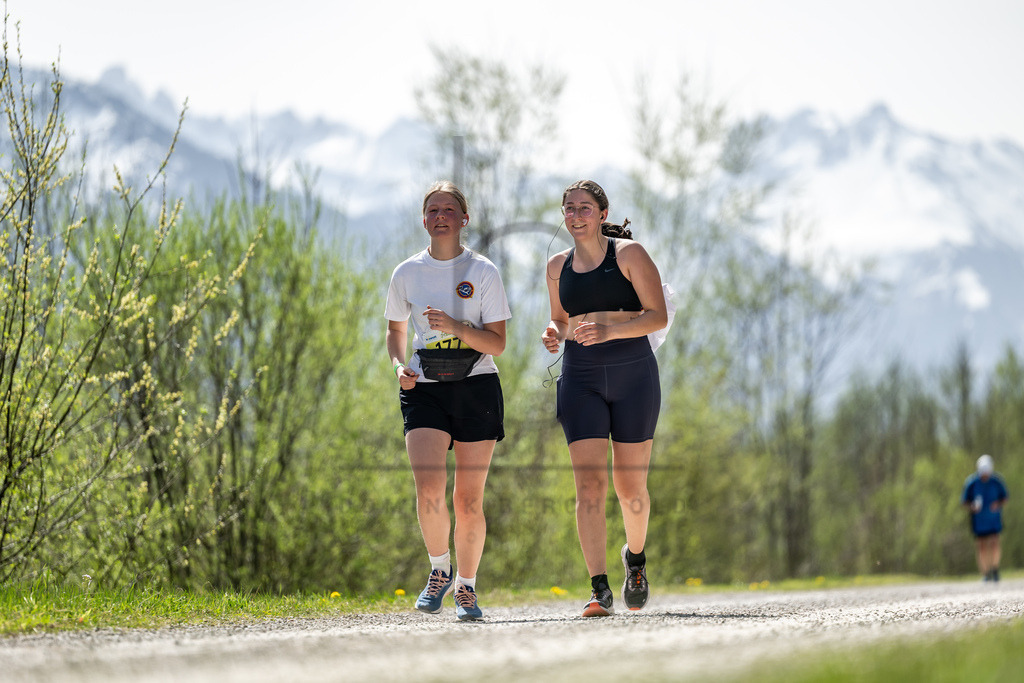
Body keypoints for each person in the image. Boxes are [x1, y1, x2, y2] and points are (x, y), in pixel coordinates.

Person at [385, 180, 511, 621]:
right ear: (424, 219)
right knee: (429, 489)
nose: (440, 216)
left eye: (448, 210)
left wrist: (457, 327)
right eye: (432, 210)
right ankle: (440, 570)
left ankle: (467, 588)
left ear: (464, 219)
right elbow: (395, 332)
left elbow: (498, 344)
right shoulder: (406, 273)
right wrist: (398, 366)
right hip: (424, 389)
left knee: (468, 499)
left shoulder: (483, 272)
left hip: (477, 387)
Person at [541, 179, 668, 617]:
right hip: (581, 377)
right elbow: (560, 320)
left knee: (630, 487)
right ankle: (599, 588)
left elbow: (658, 315)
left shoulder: (629, 255)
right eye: (569, 208)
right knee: (589, 485)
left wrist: (610, 330)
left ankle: (635, 559)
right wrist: (553, 334)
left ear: (603, 214)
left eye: (584, 208)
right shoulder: (556, 266)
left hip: (634, 374)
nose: (575, 216)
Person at [961, 454, 1009, 582]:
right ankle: (985, 573)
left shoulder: (997, 481)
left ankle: (995, 569)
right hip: (979, 521)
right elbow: (964, 501)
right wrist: (972, 507)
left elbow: (1004, 498)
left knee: (994, 543)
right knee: (981, 546)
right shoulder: (971, 483)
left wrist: (997, 504)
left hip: (994, 520)